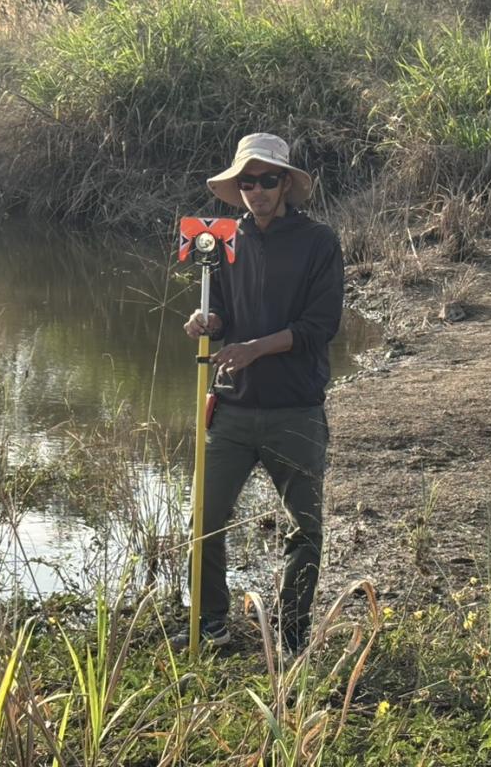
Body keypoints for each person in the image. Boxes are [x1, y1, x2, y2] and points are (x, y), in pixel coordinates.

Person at [178, 132, 343, 651]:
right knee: (203, 522)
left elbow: (320, 327)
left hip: (295, 411)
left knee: (306, 530)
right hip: (231, 408)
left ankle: (293, 634)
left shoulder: (319, 242)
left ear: (286, 184)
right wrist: (206, 320)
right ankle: (210, 627)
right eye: (247, 182)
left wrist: (254, 348)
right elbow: (224, 310)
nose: (258, 191)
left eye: (268, 180)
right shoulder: (226, 240)